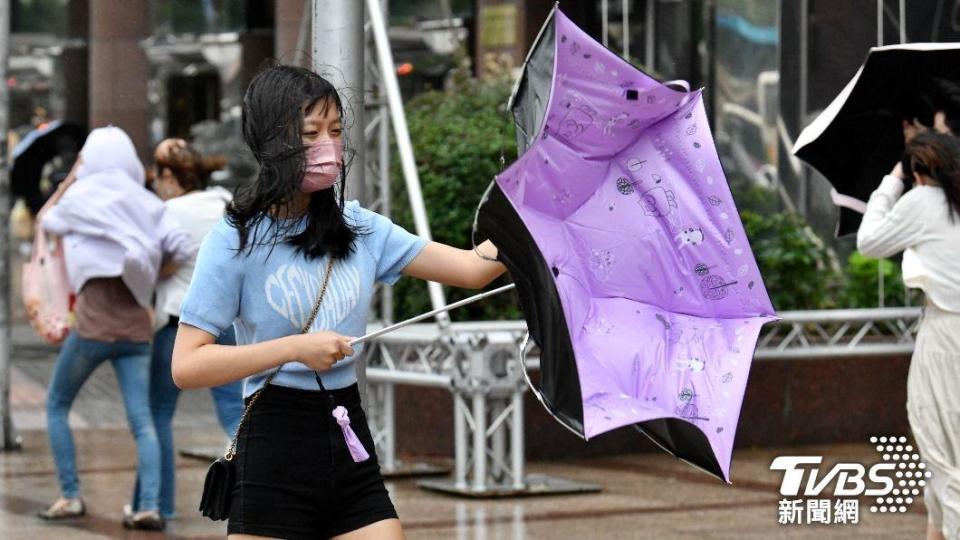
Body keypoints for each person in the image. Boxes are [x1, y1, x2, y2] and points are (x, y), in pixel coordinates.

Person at [172, 64, 506, 539]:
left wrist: (532, 216)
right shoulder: (236, 239)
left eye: (335, 130)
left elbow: (473, 269)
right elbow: (186, 365)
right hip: (274, 442)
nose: (328, 145)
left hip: (348, 436)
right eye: (311, 133)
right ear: (273, 141)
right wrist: (293, 349)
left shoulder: (362, 228)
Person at [36, 126, 193, 530]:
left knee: (56, 404)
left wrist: (71, 177)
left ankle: (70, 496)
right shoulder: (146, 202)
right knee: (142, 421)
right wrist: (154, 273)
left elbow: (46, 220)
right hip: (137, 329)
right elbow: (182, 246)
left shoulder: (79, 198)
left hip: (91, 327)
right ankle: (149, 507)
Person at [125, 138, 244, 524]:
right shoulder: (225, 204)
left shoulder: (166, 211)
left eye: (158, 175)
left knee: (158, 413)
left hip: (180, 323)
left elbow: (146, 264)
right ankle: (256, 491)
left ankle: (157, 504)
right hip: (227, 322)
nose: (155, 183)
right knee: (235, 410)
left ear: (171, 177)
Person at [857, 132, 960, 540]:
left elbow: (869, 242)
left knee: (941, 449)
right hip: (946, 330)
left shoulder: (922, 201)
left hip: (947, 335)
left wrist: (892, 179)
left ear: (919, 172)